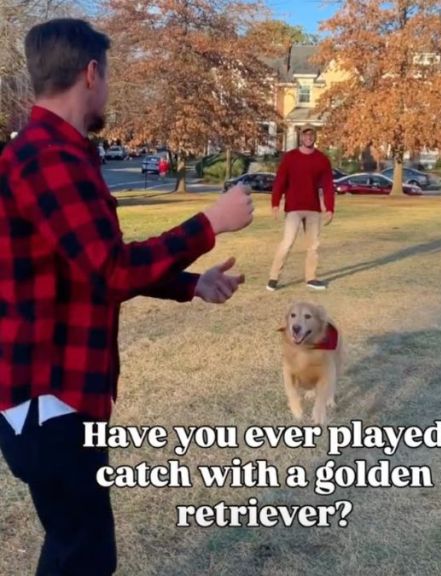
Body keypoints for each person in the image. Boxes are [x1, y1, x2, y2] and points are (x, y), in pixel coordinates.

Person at [0, 18, 254, 575]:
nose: (109, 89)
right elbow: (111, 271)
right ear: (91, 73)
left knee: (75, 547)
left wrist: (191, 283)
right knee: (84, 556)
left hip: (59, 398)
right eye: (109, 77)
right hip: (50, 398)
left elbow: (92, 262)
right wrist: (210, 223)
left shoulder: (59, 154)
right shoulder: (47, 158)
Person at [267, 127, 335, 291]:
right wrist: (275, 203)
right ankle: (273, 278)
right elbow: (280, 181)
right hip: (294, 209)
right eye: (306, 135)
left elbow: (328, 186)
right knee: (287, 242)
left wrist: (330, 208)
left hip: (313, 209)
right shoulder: (290, 157)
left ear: (315, 137)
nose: (309, 137)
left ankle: (311, 278)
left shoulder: (322, 159)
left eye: (312, 135)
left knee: (313, 246)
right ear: (301, 137)